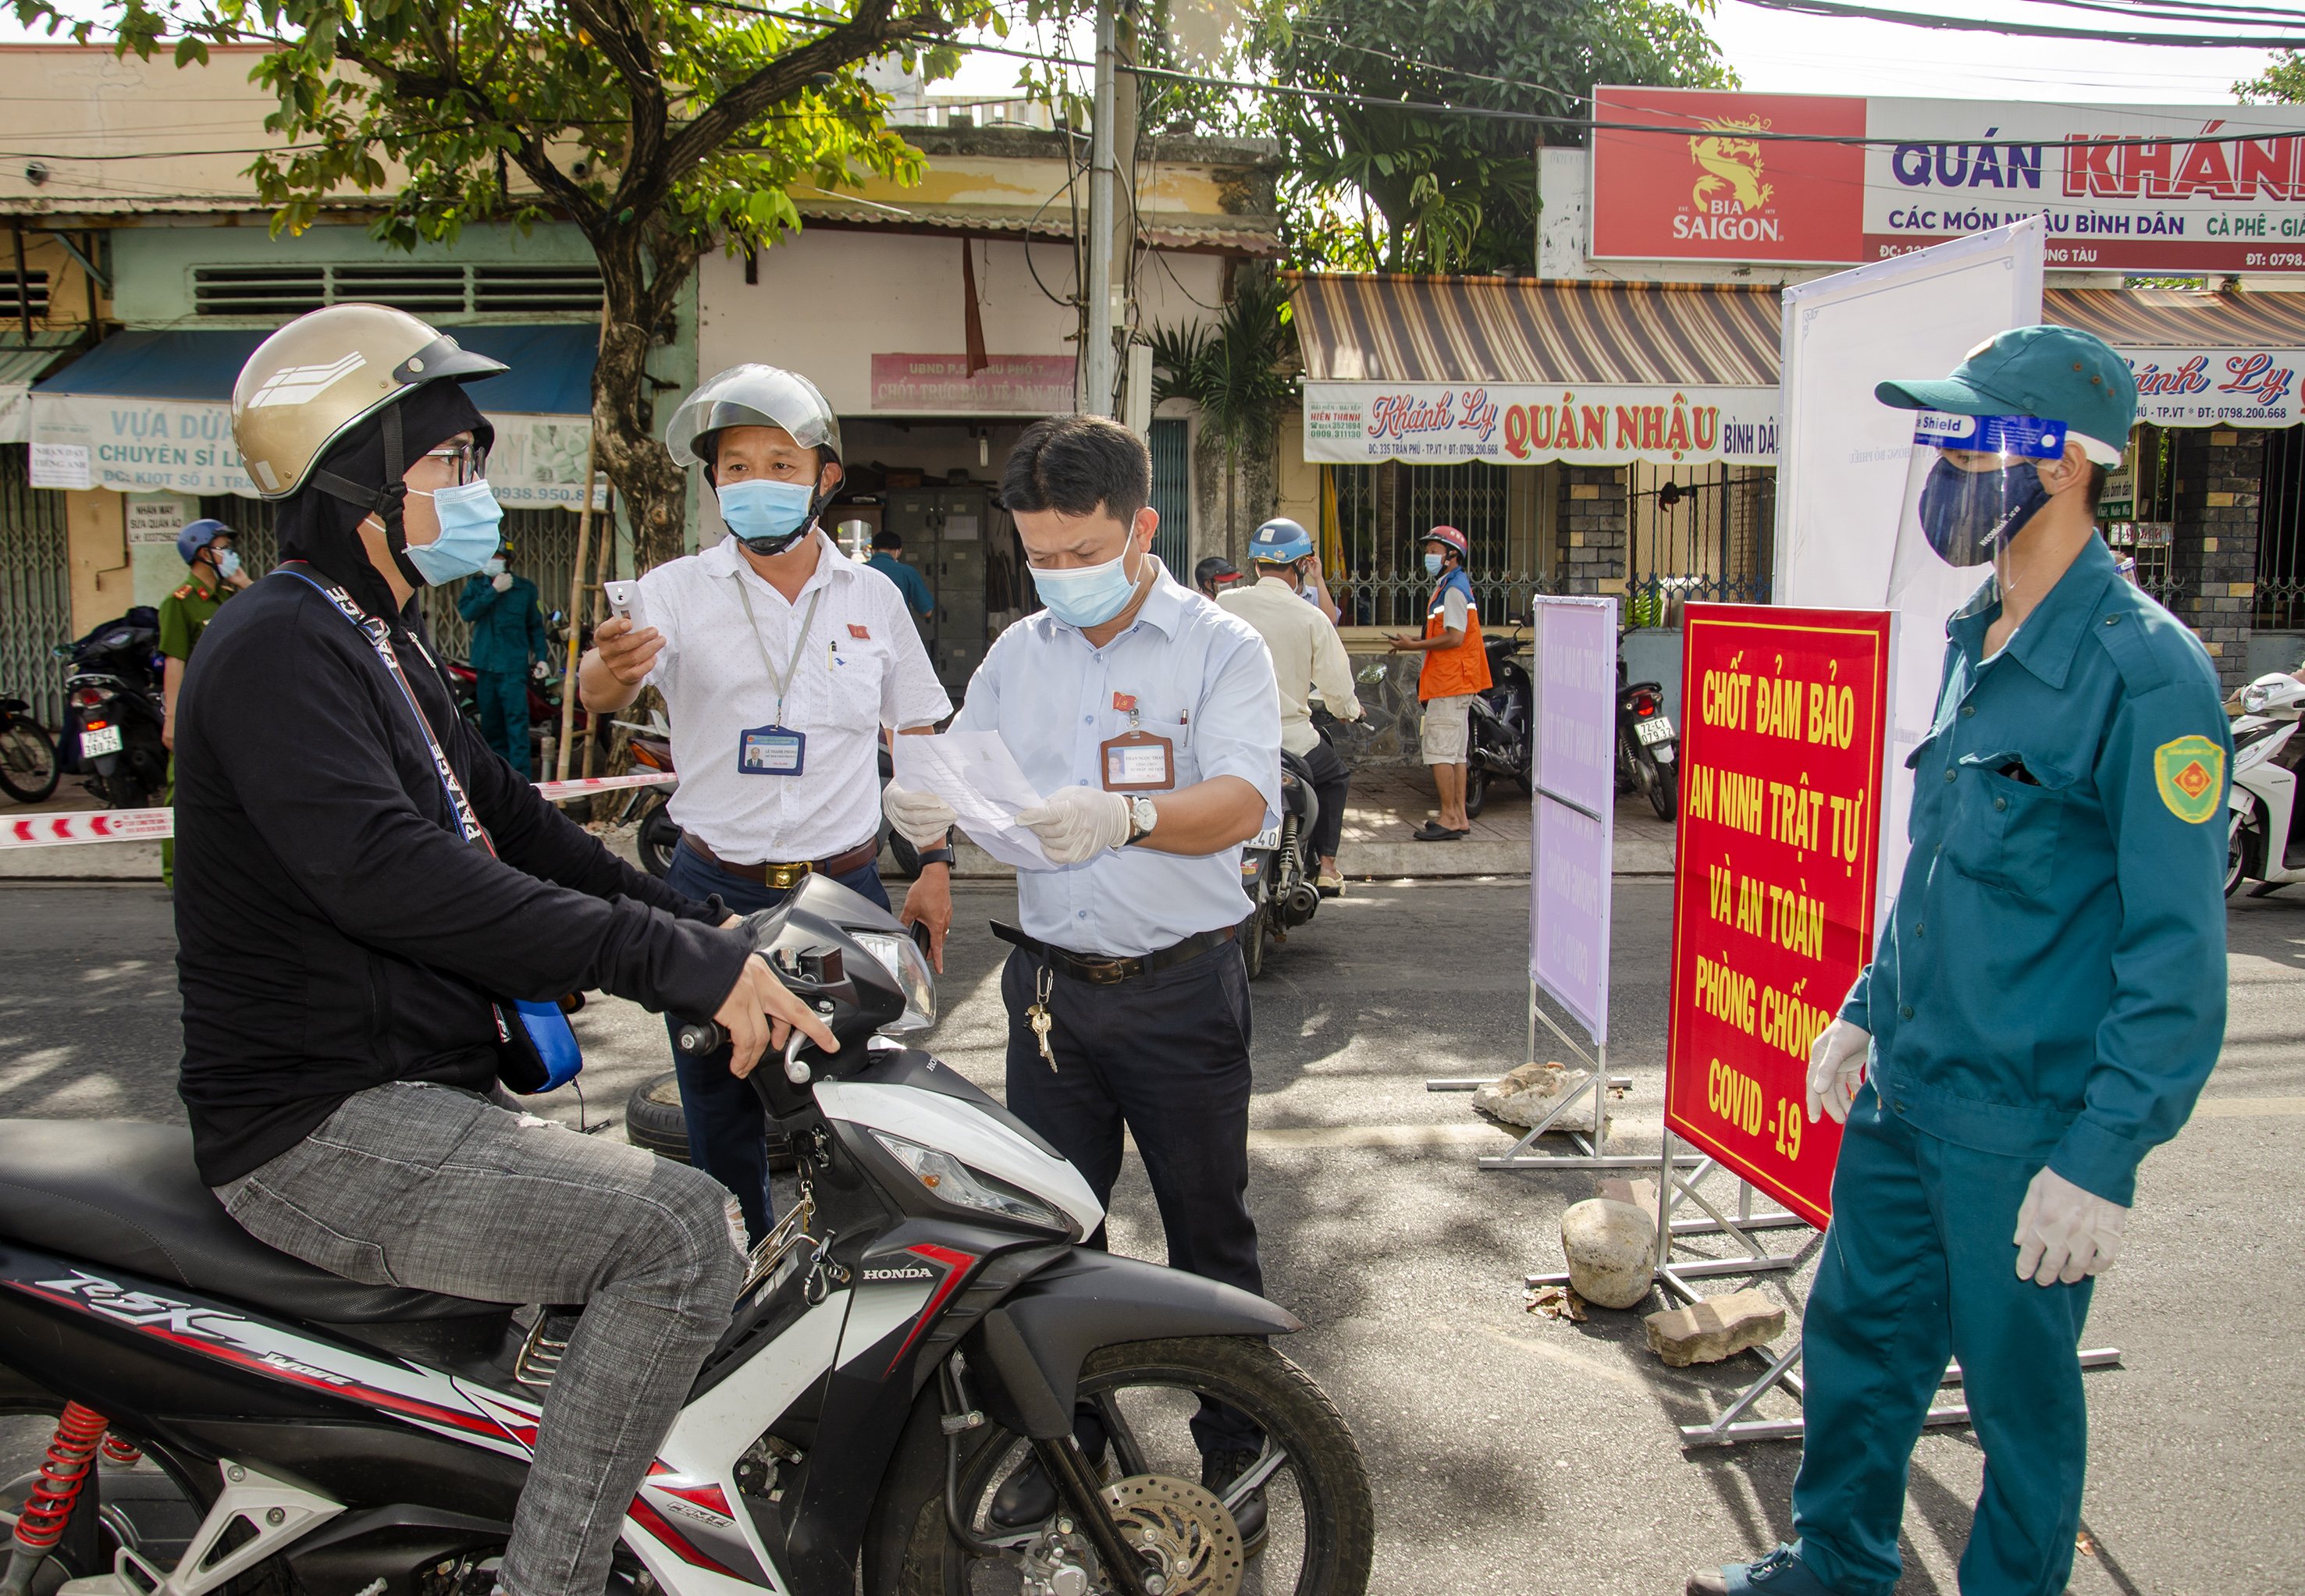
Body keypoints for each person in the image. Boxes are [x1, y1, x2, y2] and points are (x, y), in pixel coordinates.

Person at [177, 303, 836, 1596]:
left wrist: (714, 931)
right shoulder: (276, 646)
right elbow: (399, 881)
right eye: (451, 466)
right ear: (357, 481)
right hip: (322, 1127)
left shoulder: (376, 640)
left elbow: (519, 825)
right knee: (682, 1231)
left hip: (409, 1090)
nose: (478, 492)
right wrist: (677, 968)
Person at [1686, 326, 2231, 1596]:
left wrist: (2100, 1161)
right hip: (1908, 1093)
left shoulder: (2144, 676)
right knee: (1856, 1349)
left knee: (2018, 1414)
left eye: (1966, 435)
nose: (1940, 460)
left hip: (2023, 1128)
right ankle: (1837, 1567)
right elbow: (1933, 864)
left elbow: (2176, 963)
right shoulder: (1972, 631)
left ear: (2055, 467)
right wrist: (1865, 1010)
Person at [880, 414, 1282, 1531]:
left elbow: (1244, 801)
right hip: (1050, 995)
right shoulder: (1019, 653)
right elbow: (963, 770)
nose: (1058, 576)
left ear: (1141, 525)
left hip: (1180, 989)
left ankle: (1237, 1449)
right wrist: (928, 821)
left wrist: (1127, 814)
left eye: (1080, 552)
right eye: (1039, 557)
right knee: (1053, 1236)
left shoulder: (1219, 647)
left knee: (1209, 1231)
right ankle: (1078, 1458)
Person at [577, 363, 952, 1242]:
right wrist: (605, 669)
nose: (755, 483)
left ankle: (852, 1262)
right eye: (735, 466)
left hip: (844, 890)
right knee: (717, 1098)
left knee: (853, 1095)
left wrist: (933, 863)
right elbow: (599, 685)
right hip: (714, 890)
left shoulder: (874, 596)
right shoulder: (671, 591)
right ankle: (735, 1265)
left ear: (826, 476)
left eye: (781, 463)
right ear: (713, 481)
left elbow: (920, 731)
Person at [1218, 516, 1364, 894]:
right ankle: (1327, 868)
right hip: (1292, 741)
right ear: (1301, 567)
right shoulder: (1311, 617)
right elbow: (1337, 688)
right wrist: (1349, 710)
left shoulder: (1225, 603)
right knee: (1335, 778)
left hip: (1228, 736)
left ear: (1255, 564)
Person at [158, 517, 250, 888]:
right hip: (195, 713)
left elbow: (270, 621)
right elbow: (174, 662)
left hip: (229, 712)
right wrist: (171, 720)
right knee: (179, 791)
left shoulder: (229, 596)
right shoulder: (179, 603)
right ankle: (173, 874)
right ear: (201, 553)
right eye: (223, 547)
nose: (229, 554)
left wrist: (243, 583)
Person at [1386, 524, 1489, 841]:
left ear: (1452, 556)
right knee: (1456, 755)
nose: (1428, 555)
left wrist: (1413, 647)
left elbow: (1455, 637)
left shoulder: (1454, 589)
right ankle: (1457, 816)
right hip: (1457, 682)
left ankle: (1448, 815)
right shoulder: (1451, 585)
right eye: (1428, 550)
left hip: (1451, 682)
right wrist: (1414, 640)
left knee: (1439, 752)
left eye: (1434, 551)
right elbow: (1445, 634)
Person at [456, 537, 550, 776]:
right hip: (486, 667)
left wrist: (541, 657)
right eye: (490, 557)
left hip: (513, 668)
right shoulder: (477, 586)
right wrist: (493, 591)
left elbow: (535, 628)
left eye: (498, 557)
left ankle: (522, 781)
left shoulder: (525, 589)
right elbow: (467, 613)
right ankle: (495, 779)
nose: (493, 562)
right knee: (491, 726)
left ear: (508, 561)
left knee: (517, 727)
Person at [866, 528, 937, 622]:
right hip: (897, 629)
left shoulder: (859, 570)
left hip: (866, 630)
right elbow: (927, 611)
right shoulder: (908, 572)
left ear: (873, 551)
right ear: (898, 551)